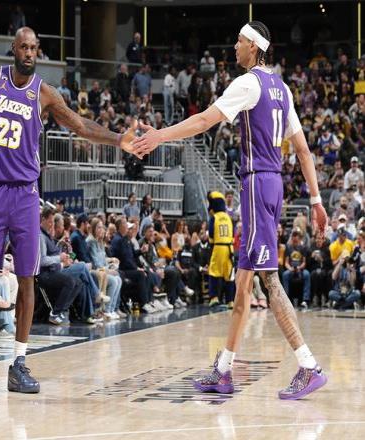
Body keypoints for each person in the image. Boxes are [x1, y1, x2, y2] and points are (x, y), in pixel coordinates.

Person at [132, 21, 328, 400]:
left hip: (257, 184)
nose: (234, 47)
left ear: (254, 46)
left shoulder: (249, 84)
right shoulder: (282, 88)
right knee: (243, 283)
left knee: (268, 280)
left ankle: (308, 365)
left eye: (239, 41)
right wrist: (317, 200)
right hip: (273, 185)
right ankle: (223, 371)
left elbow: (204, 120)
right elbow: (303, 150)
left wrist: (159, 135)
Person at [0, 27, 137, 394]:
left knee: (27, 279)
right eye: (24, 47)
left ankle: (19, 363)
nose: (30, 53)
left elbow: (80, 125)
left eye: (34, 48)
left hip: (25, 196)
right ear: (13, 49)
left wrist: (118, 139)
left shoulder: (45, 93)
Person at [207, 191, 235, 309]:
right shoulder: (228, 217)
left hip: (218, 247)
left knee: (214, 272)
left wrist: (211, 245)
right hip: (229, 248)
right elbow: (232, 233)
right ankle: (230, 301)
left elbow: (211, 235)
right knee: (229, 275)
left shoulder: (214, 217)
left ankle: (214, 298)